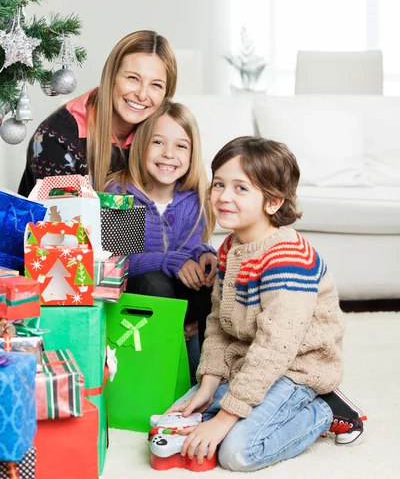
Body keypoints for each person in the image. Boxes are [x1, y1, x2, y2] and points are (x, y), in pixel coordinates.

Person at [167, 136, 366, 471]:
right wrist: (210, 382)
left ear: (273, 202)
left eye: (241, 188)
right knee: (180, 418)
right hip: (251, 360)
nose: (224, 197)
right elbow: (218, 321)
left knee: (236, 453)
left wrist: (227, 415)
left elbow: (277, 347)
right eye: (219, 184)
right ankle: (234, 402)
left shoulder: (287, 258)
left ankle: (327, 410)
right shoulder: (231, 247)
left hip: (296, 368)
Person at [106, 100, 217, 377]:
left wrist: (204, 254)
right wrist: (168, 261)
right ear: (142, 144)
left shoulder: (194, 198)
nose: (169, 154)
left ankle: (211, 374)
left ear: (192, 154)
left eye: (181, 146)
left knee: (211, 281)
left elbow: (192, 250)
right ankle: (160, 372)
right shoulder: (121, 191)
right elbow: (117, 264)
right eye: (158, 142)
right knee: (155, 280)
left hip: (181, 302)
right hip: (140, 298)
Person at [18, 30, 177, 196]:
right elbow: (64, 218)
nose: (142, 95)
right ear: (111, 76)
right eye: (133, 78)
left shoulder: (163, 135)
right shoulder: (56, 137)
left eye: (156, 85)